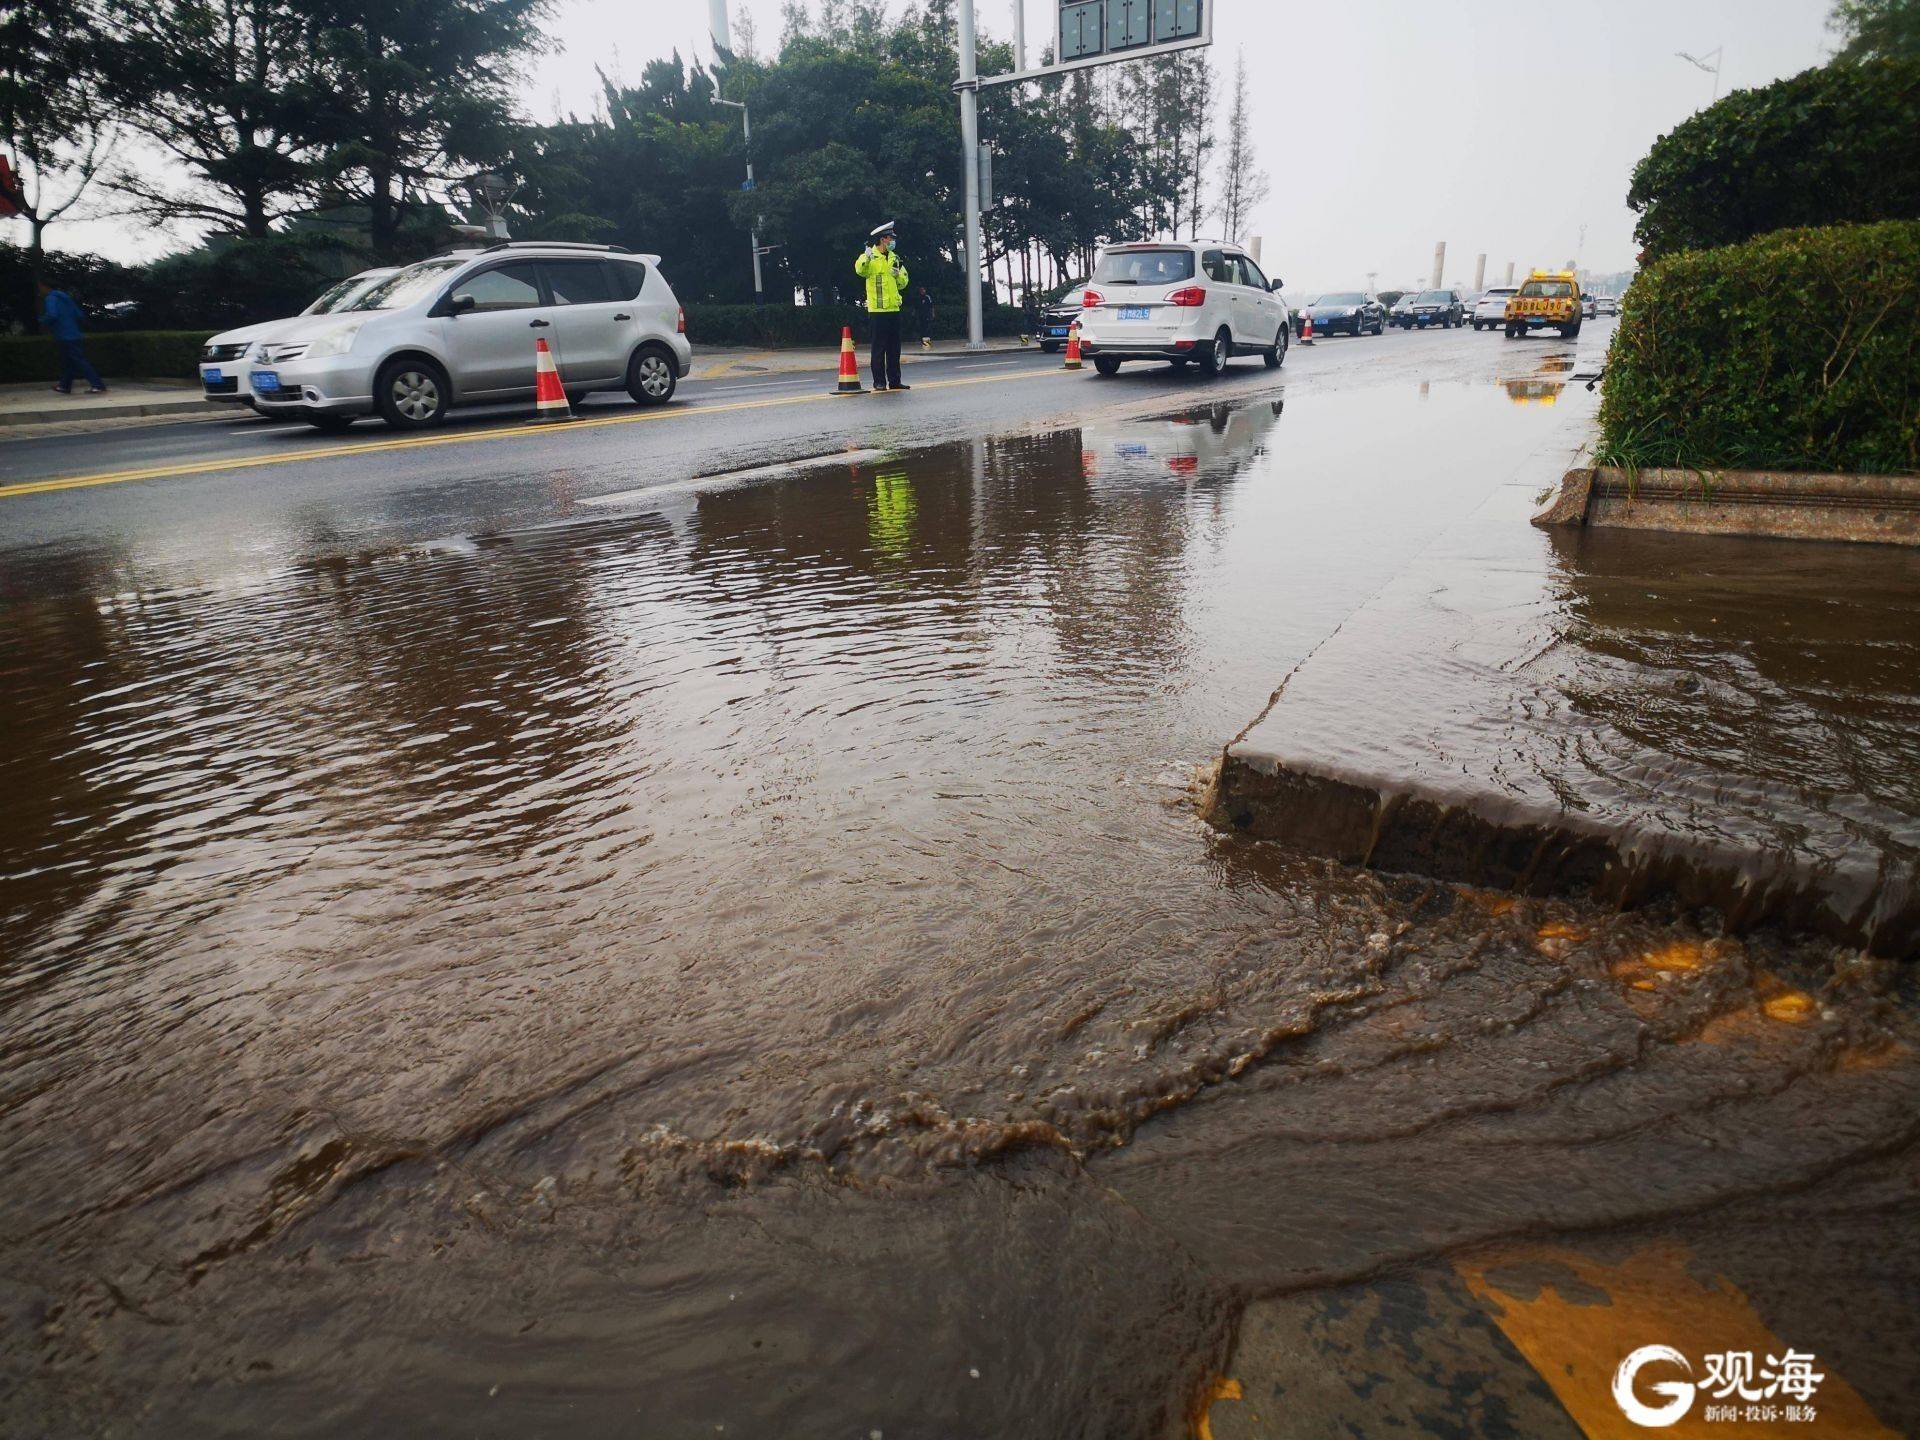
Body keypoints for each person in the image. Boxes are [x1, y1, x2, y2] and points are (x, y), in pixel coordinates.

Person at [854, 221, 909, 391]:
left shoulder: (895, 258)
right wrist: (867, 259)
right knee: (878, 349)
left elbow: (903, 283)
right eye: (890, 238)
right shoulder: (868, 256)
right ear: (883, 239)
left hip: (893, 309)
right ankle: (879, 382)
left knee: (894, 349)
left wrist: (898, 274)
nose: (893, 241)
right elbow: (860, 271)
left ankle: (894, 380)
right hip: (877, 311)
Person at [39, 281, 107, 395]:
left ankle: (97, 385)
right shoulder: (66, 297)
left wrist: (43, 321)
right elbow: (79, 314)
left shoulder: (50, 298)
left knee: (77, 360)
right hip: (74, 333)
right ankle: (64, 386)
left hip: (63, 334)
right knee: (69, 361)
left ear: (44, 286)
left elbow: (52, 314)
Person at [915, 286, 935, 351]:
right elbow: (916, 307)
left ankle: (927, 343)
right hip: (921, 316)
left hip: (927, 315)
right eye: (921, 290)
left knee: (927, 329)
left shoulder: (927, 297)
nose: (922, 291)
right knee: (922, 329)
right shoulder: (918, 298)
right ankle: (923, 342)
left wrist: (932, 314)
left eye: (923, 290)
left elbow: (931, 306)